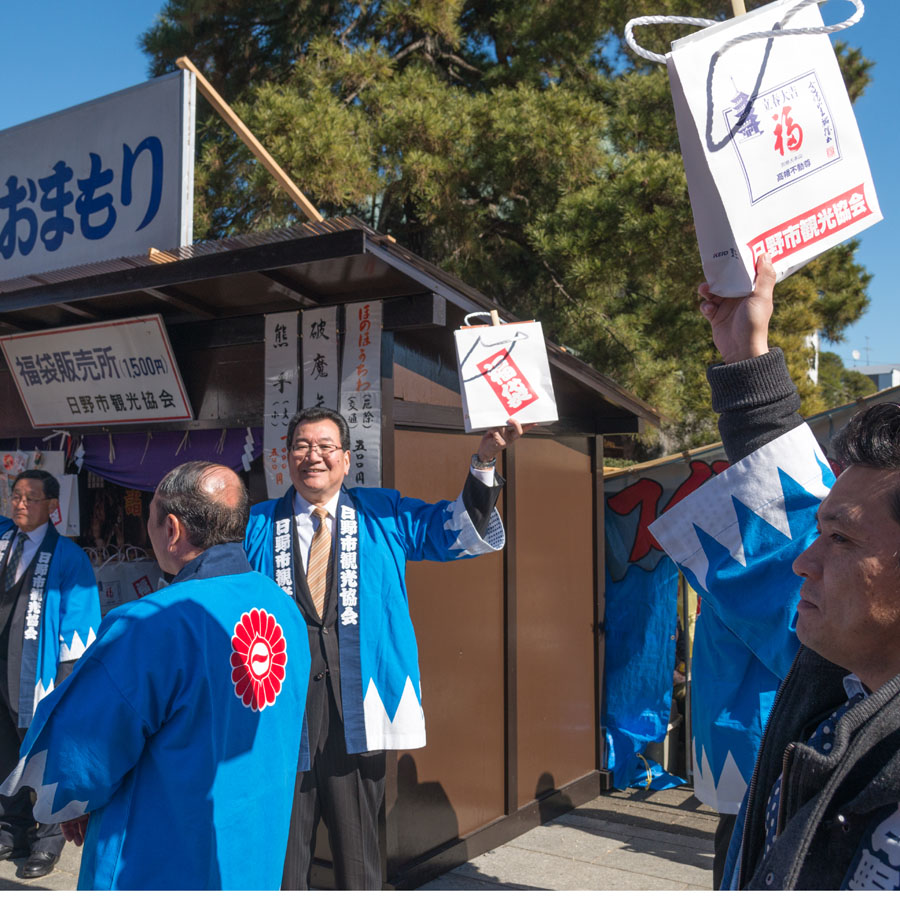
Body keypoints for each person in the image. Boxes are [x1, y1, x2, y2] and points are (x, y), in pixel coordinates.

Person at [651, 254, 900, 889]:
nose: (802, 561)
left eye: (839, 539)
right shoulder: (844, 677)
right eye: (818, 532)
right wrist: (745, 355)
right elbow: (787, 504)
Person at [244, 406, 526, 890]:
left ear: (347, 459)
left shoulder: (385, 513)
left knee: (359, 855)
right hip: (279, 708)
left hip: (361, 701)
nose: (313, 457)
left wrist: (483, 461)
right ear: (285, 458)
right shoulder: (256, 523)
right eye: (302, 446)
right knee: (282, 855)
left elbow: (451, 528)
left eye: (325, 447)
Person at [0, 461, 311, 889]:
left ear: (172, 528)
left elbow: (86, 747)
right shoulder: (283, 607)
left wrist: (72, 801)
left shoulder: (152, 620)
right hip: (255, 836)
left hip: (160, 849)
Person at [0, 470, 99, 879]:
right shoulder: (4, 541)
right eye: (16, 496)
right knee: (5, 753)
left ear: (54, 506)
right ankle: (11, 829)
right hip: (1, 668)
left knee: (44, 756)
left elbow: (79, 629)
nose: (21, 504)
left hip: (37, 675)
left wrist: (65, 683)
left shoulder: (69, 558)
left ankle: (49, 839)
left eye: (32, 498)